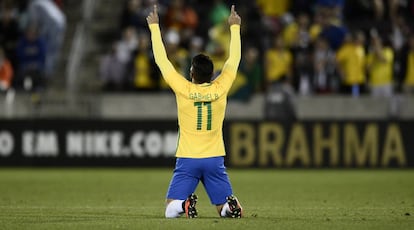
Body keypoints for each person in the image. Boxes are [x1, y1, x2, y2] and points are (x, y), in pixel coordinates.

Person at [146, 4, 243, 218]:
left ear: (192, 73)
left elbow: (162, 61)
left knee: (171, 208)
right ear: (212, 74)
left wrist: (154, 27)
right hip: (214, 158)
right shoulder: (221, 87)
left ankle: (184, 206)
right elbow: (233, 60)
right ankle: (230, 207)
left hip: (188, 158)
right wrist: (235, 28)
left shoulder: (183, 89)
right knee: (221, 206)